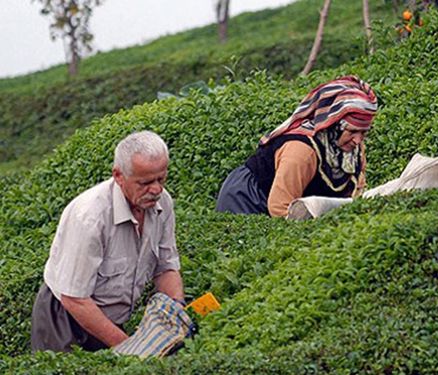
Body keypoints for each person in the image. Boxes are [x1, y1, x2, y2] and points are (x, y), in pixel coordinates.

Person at [31, 130, 185, 353]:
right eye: (145, 182)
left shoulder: (163, 203)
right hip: (65, 319)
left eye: (161, 178)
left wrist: (175, 314)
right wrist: (130, 347)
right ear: (118, 176)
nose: (156, 189)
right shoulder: (90, 217)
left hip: (110, 317)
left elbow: (166, 267)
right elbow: (74, 298)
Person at [215, 75, 378, 217]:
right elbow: (280, 208)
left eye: (363, 133)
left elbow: (356, 195)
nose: (358, 140)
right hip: (247, 198)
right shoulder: (302, 151)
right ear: (333, 125)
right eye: (352, 131)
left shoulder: (351, 148)